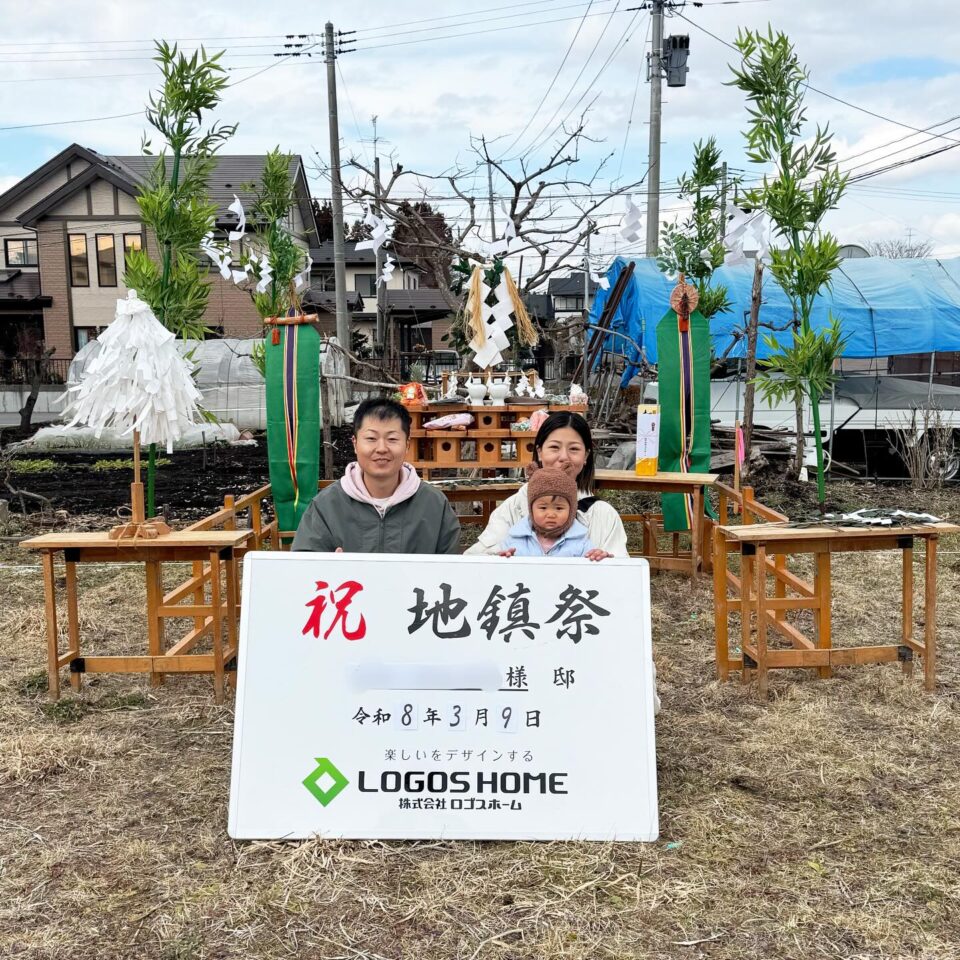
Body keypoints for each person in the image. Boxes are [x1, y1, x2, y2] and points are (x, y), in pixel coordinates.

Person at [292, 397, 461, 554]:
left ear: (407, 445)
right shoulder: (326, 506)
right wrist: (331, 570)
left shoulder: (435, 506)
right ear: (355, 444)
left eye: (392, 439)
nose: (381, 448)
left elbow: (452, 571)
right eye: (371, 438)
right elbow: (304, 570)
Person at [465, 411, 627, 559]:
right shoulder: (515, 506)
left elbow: (621, 576)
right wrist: (497, 557)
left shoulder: (601, 514)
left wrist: (606, 560)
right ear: (540, 452)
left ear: (586, 456)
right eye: (554, 447)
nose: (564, 457)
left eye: (574, 449)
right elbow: (476, 558)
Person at [499, 467, 598, 558]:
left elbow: (593, 571)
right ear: (531, 509)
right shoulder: (515, 539)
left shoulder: (581, 542)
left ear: (571, 510)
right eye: (543, 508)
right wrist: (504, 559)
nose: (551, 515)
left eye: (559, 508)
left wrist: (597, 557)